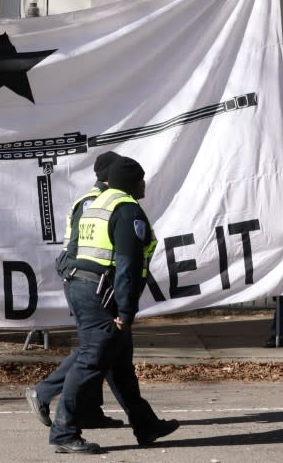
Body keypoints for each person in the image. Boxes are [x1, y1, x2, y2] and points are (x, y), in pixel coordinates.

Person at [48, 157, 179, 454]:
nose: (145, 184)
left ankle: (146, 425)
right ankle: (63, 432)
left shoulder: (96, 203)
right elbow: (127, 265)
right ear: (131, 183)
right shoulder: (127, 209)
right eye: (141, 179)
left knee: (120, 366)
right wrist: (125, 311)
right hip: (99, 293)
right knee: (91, 361)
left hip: (82, 286)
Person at [26, 151, 125, 429]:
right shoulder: (95, 202)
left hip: (91, 283)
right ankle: (43, 392)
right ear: (109, 177)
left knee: (97, 349)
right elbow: (84, 250)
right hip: (90, 284)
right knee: (95, 349)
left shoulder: (96, 199)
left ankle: (89, 411)